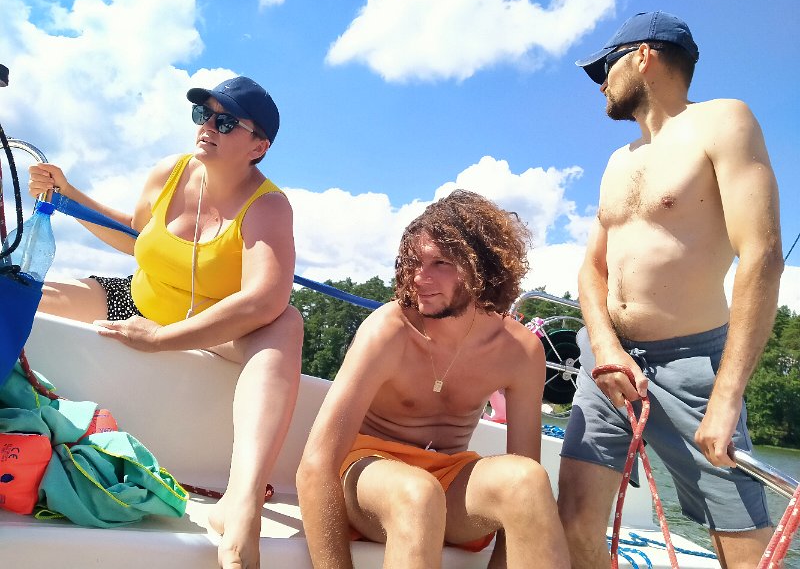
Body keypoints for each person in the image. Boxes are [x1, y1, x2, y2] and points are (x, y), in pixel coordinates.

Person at [27, 76, 303, 569]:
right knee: (26, 293)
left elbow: (265, 300)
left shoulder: (268, 206)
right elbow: (136, 237)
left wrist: (162, 339)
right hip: (134, 300)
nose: (207, 126)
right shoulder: (168, 173)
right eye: (203, 114)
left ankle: (241, 505)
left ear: (258, 147)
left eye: (225, 121)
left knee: (287, 324)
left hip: (216, 329)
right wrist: (67, 194)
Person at [557, 11, 784, 569]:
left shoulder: (724, 121)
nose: (600, 84)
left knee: (746, 554)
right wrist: (604, 347)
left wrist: (728, 396)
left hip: (694, 368)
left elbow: (761, 254)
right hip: (608, 361)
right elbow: (591, 269)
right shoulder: (618, 161)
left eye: (604, 68)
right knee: (574, 527)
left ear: (643, 56)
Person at [296, 190, 569, 569]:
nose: (419, 278)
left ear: (482, 266)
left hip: (449, 480)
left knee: (528, 481)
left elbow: (522, 478)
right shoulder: (389, 331)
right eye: (414, 262)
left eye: (440, 263)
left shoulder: (520, 351)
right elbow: (317, 465)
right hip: (368, 476)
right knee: (418, 494)